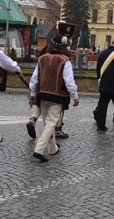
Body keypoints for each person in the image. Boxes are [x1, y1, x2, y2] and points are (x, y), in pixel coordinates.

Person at [29, 34, 79, 162]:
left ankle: (52, 148)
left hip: (42, 94)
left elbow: (34, 79)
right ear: (63, 47)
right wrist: (75, 96)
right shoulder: (65, 61)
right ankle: (39, 150)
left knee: (48, 124)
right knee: (51, 123)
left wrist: (33, 94)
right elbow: (69, 82)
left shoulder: (41, 59)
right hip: (58, 96)